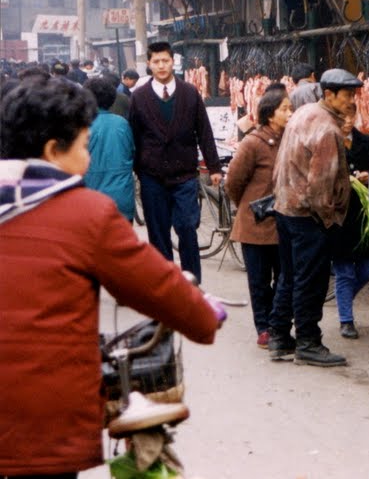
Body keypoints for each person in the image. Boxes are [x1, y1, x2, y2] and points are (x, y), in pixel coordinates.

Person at [0, 77, 222, 479]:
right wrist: (205, 314)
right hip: (40, 421)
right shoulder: (86, 214)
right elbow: (159, 288)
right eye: (84, 146)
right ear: (53, 151)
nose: (87, 158)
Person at [268, 68, 363, 367]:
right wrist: (330, 220)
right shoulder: (328, 130)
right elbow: (320, 186)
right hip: (308, 214)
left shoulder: (304, 112)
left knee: (290, 275)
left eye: (353, 95)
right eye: (347, 95)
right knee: (311, 280)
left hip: (285, 206)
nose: (351, 101)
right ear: (330, 94)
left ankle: (279, 335)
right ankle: (308, 341)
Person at [129, 41, 223, 283]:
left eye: (166, 61)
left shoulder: (190, 93)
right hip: (152, 176)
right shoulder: (139, 98)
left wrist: (214, 167)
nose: (161, 66)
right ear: (149, 65)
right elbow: (134, 136)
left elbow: (204, 132)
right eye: (156, 61)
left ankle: (192, 284)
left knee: (186, 227)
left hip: (184, 175)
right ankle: (165, 285)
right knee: (158, 234)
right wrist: (138, 168)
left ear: (173, 62)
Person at [226, 84, 292, 349]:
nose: (290, 113)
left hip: (284, 221)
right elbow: (234, 181)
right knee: (259, 281)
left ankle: (278, 325)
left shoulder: (291, 139)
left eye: (290, 108)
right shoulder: (253, 142)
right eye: (285, 109)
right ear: (269, 113)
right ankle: (264, 327)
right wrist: (249, 205)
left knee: (285, 276)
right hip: (255, 223)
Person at [332, 113, 369, 339]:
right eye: (342, 116)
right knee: (344, 272)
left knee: (367, 270)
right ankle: (346, 320)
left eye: (350, 115)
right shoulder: (327, 143)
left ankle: (344, 301)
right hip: (339, 214)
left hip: (364, 215)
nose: (346, 120)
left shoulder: (368, 143)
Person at [82, 77, 135, 221]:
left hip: (90, 198)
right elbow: (132, 152)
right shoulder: (122, 124)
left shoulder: (81, 125)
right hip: (121, 197)